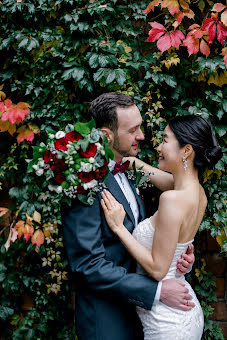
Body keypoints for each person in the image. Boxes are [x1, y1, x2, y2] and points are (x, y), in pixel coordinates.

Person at [62, 93, 195, 340]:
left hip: (143, 318)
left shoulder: (132, 169)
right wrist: (155, 291)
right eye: (133, 130)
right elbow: (87, 265)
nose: (142, 136)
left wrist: (178, 254)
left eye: (140, 126)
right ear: (105, 136)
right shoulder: (83, 182)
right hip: (107, 322)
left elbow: (146, 231)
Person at [101, 114, 223, 340]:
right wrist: (119, 155)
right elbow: (145, 170)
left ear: (186, 151)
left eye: (165, 140)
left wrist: (119, 228)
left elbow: (157, 269)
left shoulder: (172, 200)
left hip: (168, 321)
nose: (158, 146)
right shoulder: (198, 193)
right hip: (184, 310)